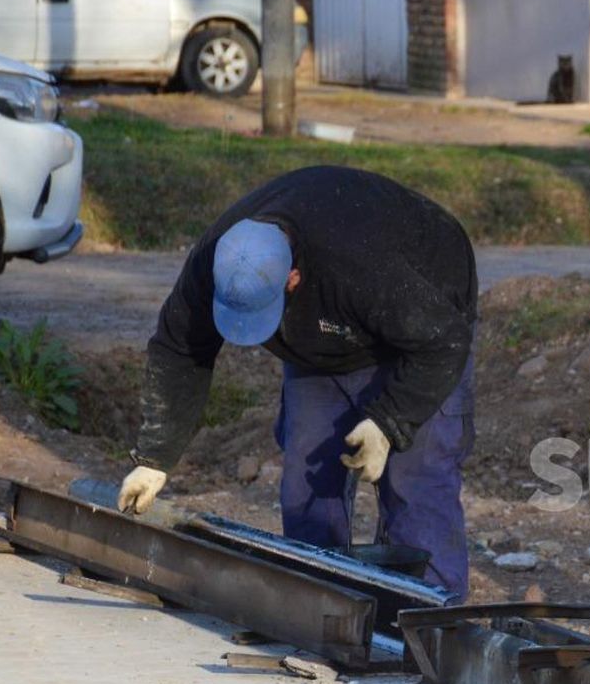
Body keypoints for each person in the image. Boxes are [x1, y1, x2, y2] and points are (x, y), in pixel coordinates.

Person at [117, 166, 478, 598]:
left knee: (416, 487)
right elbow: (179, 349)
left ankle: (433, 621)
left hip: (424, 327)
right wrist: (155, 458)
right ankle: (323, 608)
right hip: (326, 336)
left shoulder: (363, 269)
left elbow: (444, 342)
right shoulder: (217, 258)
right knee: (306, 489)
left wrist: (389, 423)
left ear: (293, 278)